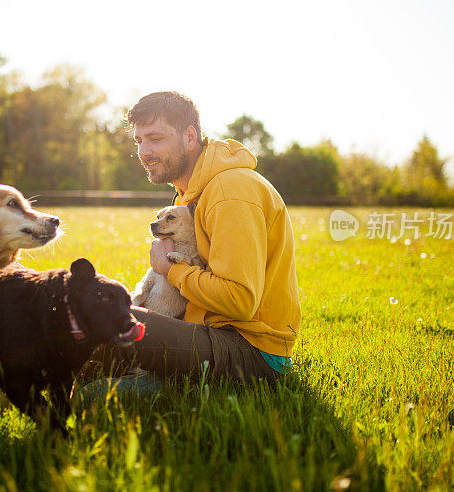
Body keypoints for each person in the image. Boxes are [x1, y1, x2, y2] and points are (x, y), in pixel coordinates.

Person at [92, 91, 301, 390]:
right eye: (139, 141)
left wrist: (172, 270)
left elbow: (240, 301)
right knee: (93, 316)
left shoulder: (231, 192)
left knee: (100, 366)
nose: (144, 151)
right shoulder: (190, 195)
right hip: (203, 330)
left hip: (253, 350)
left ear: (190, 137)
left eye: (155, 138)